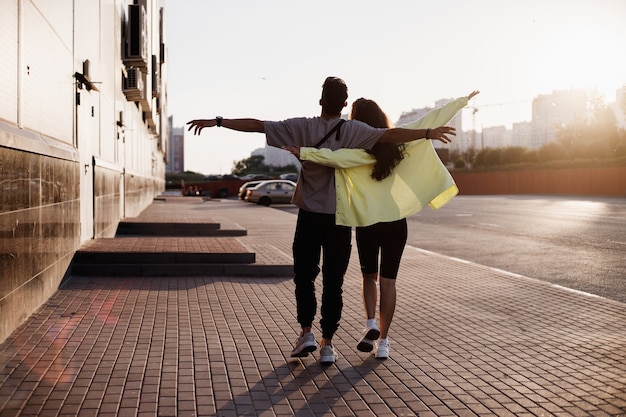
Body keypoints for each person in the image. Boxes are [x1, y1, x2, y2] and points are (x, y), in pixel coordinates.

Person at [187, 76, 456, 365]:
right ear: (343, 104)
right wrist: (428, 132)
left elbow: (257, 125)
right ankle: (328, 345)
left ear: (320, 101)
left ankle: (306, 333)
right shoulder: (357, 131)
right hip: (339, 219)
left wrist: (217, 121)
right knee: (334, 282)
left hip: (308, 216)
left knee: (304, 276)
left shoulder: (301, 127)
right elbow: (392, 135)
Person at [283, 91, 479, 359]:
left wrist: (304, 151)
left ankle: (371, 323)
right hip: (396, 222)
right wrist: (461, 102)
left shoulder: (359, 153)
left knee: (369, 278)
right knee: (389, 282)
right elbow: (427, 121)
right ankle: (384, 342)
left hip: (368, 223)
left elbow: (335, 159)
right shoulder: (399, 142)